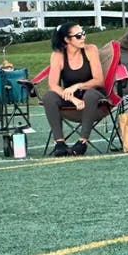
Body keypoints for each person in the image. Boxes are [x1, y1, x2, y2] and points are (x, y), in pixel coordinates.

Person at [39, 23, 106, 157]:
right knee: (49, 97)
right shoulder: (58, 55)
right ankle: (60, 143)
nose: (83, 38)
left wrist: (77, 86)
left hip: (93, 95)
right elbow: (53, 84)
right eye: (78, 35)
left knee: (91, 95)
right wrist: (72, 98)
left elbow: (99, 80)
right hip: (72, 98)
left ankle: (82, 142)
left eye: (83, 33)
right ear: (66, 39)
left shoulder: (90, 50)